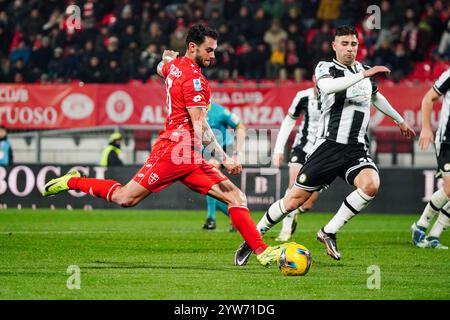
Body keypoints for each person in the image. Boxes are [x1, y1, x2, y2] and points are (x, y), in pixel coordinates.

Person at [42, 24, 289, 267]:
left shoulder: (176, 67)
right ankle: (73, 181)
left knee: (236, 196)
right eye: (209, 50)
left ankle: (262, 252)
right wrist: (225, 158)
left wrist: (164, 60)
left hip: (189, 155)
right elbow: (201, 127)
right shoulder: (195, 81)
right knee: (124, 198)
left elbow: (162, 68)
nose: (213, 56)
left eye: (214, 50)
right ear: (193, 47)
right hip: (173, 151)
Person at [234, 25, 415, 265]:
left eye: (353, 44)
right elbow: (327, 88)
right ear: (334, 46)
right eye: (344, 44)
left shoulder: (365, 71)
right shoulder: (326, 68)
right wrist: (363, 76)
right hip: (328, 148)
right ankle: (252, 239)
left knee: (371, 185)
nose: (350, 49)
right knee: (294, 201)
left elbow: (375, 96)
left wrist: (399, 119)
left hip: (355, 148)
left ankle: (328, 232)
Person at [271, 82, 321, 242]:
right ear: (314, 78)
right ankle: (285, 230)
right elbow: (288, 121)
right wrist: (278, 149)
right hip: (302, 147)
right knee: (293, 184)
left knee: (308, 204)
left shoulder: (336, 96)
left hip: (322, 152)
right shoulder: (303, 96)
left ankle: (293, 214)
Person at [411, 67, 450, 250]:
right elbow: (428, 98)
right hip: (447, 141)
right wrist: (426, 128)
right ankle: (420, 227)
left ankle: (434, 236)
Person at [202, 101, 246, 232]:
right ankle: (236, 217)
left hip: (224, 148)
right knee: (208, 186)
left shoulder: (220, 112)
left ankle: (211, 219)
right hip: (207, 151)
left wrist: (236, 153)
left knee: (210, 174)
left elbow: (240, 126)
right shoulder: (194, 111)